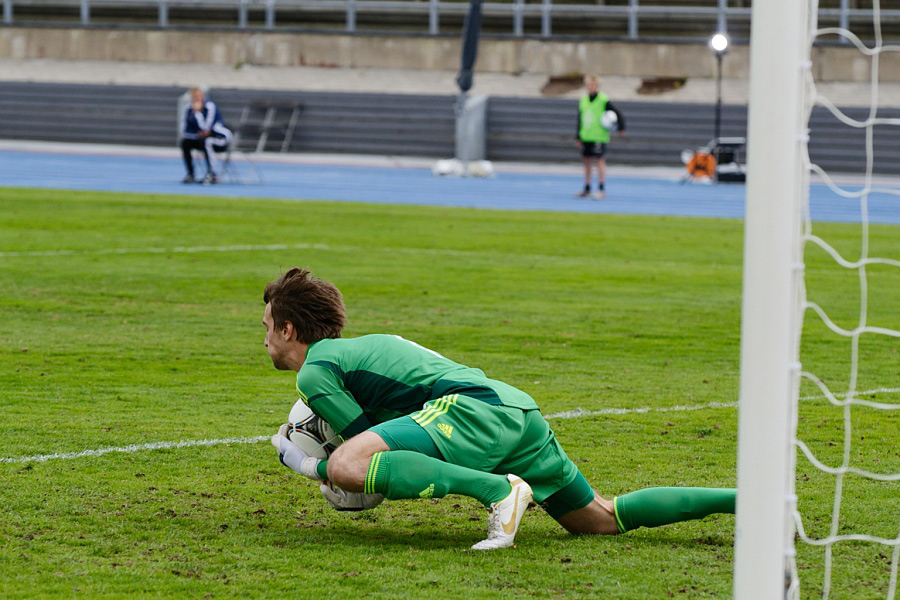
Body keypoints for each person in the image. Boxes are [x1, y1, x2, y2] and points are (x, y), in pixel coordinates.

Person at [264, 267, 735, 550]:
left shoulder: (317, 370)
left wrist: (307, 462)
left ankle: (499, 491)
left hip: (473, 410)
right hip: (514, 412)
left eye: (266, 326)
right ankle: (750, 503)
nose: (263, 338)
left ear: (289, 330)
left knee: (349, 463)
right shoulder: (356, 355)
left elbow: (363, 455)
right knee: (599, 520)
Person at [575, 75, 626, 200]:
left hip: (599, 136)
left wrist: (621, 127)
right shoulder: (583, 100)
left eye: (594, 85)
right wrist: (578, 136)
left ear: (597, 87)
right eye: (589, 85)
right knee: (586, 162)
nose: (591, 87)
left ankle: (601, 189)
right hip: (586, 135)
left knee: (599, 161)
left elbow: (617, 113)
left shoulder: (603, 100)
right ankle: (587, 187)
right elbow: (580, 119)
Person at [180, 87, 232, 184]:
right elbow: (184, 130)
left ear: (203, 96)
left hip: (220, 138)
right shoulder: (188, 108)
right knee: (185, 143)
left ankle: (212, 174)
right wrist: (197, 134)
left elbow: (206, 129)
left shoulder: (210, 106)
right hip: (200, 139)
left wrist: (197, 113)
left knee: (207, 142)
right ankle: (190, 174)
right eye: (194, 96)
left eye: (199, 96)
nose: (197, 99)